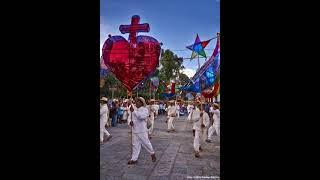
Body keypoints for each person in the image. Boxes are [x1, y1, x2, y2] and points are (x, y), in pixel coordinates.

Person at [127, 97, 157, 165]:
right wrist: (130, 122)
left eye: (137, 101)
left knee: (146, 143)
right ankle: (134, 159)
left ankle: (152, 153)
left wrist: (134, 111)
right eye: (135, 101)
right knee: (135, 145)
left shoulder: (145, 110)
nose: (136, 103)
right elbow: (129, 117)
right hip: (134, 129)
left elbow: (141, 117)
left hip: (142, 130)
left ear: (141, 102)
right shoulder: (133, 109)